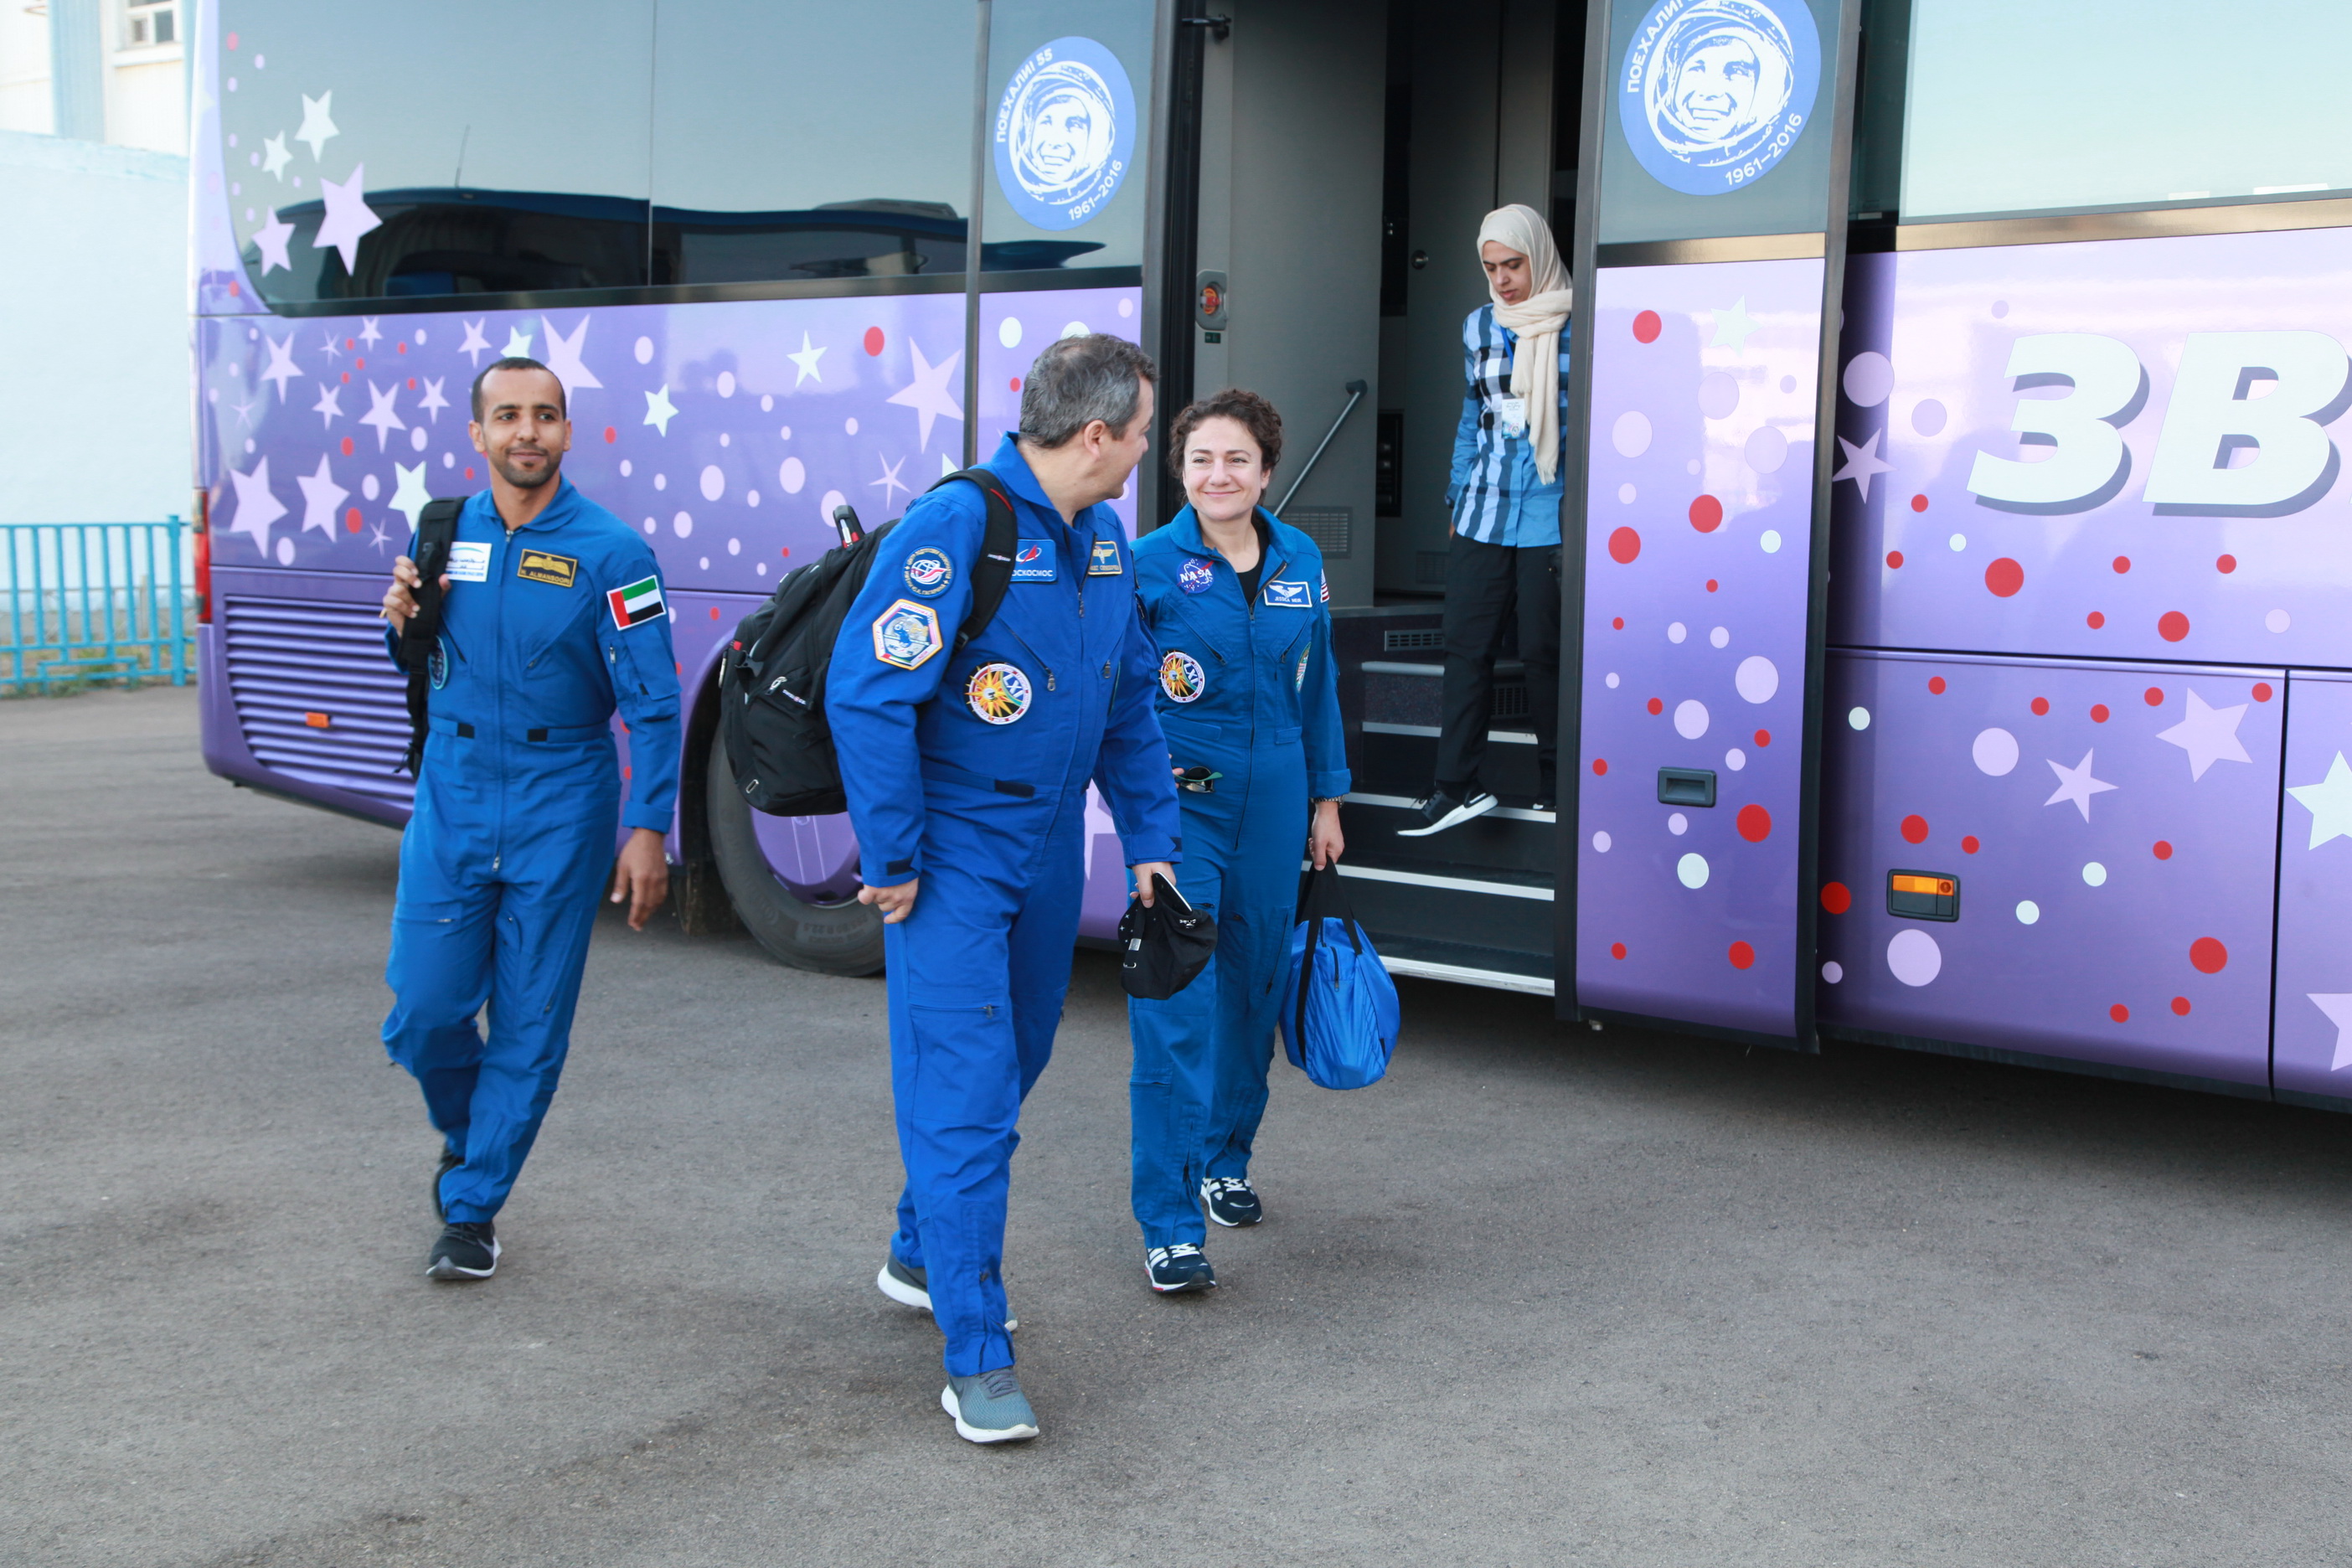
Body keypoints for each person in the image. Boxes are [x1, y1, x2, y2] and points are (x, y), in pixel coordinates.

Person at [828, 333, 1183, 1445]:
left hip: (1049, 848)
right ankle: (976, 1352)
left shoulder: (1106, 540)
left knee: (1017, 1055)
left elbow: (1130, 701)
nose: (1147, 453)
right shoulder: (956, 527)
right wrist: (891, 855)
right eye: (1142, 435)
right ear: (1097, 435)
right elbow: (867, 693)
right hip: (955, 858)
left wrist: (1151, 841)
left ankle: (919, 1251)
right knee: (971, 1091)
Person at [377, 356, 679, 1282]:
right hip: (454, 791)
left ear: (566, 432)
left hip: (562, 800)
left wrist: (648, 828)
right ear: (478, 433)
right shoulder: (443, 531)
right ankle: (472, 1132)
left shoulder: (614, 552)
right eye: (507, 415)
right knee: (422, 1011)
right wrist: (400, 621)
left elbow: (655, 705)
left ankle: (472, 1210)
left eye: (544, 415)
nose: (527, 432)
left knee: (529, 1023)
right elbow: (417, 658)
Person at [1127, 389, 1349, 1293]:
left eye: (1237, 460)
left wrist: (1328, 798)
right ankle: (1170, 1224)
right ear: (1179, 472)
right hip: (1185, 805)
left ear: (1266, 471)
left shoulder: (1300, 557)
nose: (1218, 475)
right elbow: (1118, 698)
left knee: (1254, 993)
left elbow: (1318, 682)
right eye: (1201, 460)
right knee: (1176, 1007)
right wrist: (1138, 805)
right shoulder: (1144, 565)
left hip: (1280, 795)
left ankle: (1226, 1160)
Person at [1402, 203, 1573, 837]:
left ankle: (1557, 785)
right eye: (1491, 267)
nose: (1502, 279)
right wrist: (1456, 496)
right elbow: (1471, 416)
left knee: (1544, 652)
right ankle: (1456, 785)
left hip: (1553, 511)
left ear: (1540, 258)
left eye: (1514, 265)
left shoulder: (1581, 321)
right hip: (1484, 508)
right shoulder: (1478, 325)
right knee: (1465, 647)